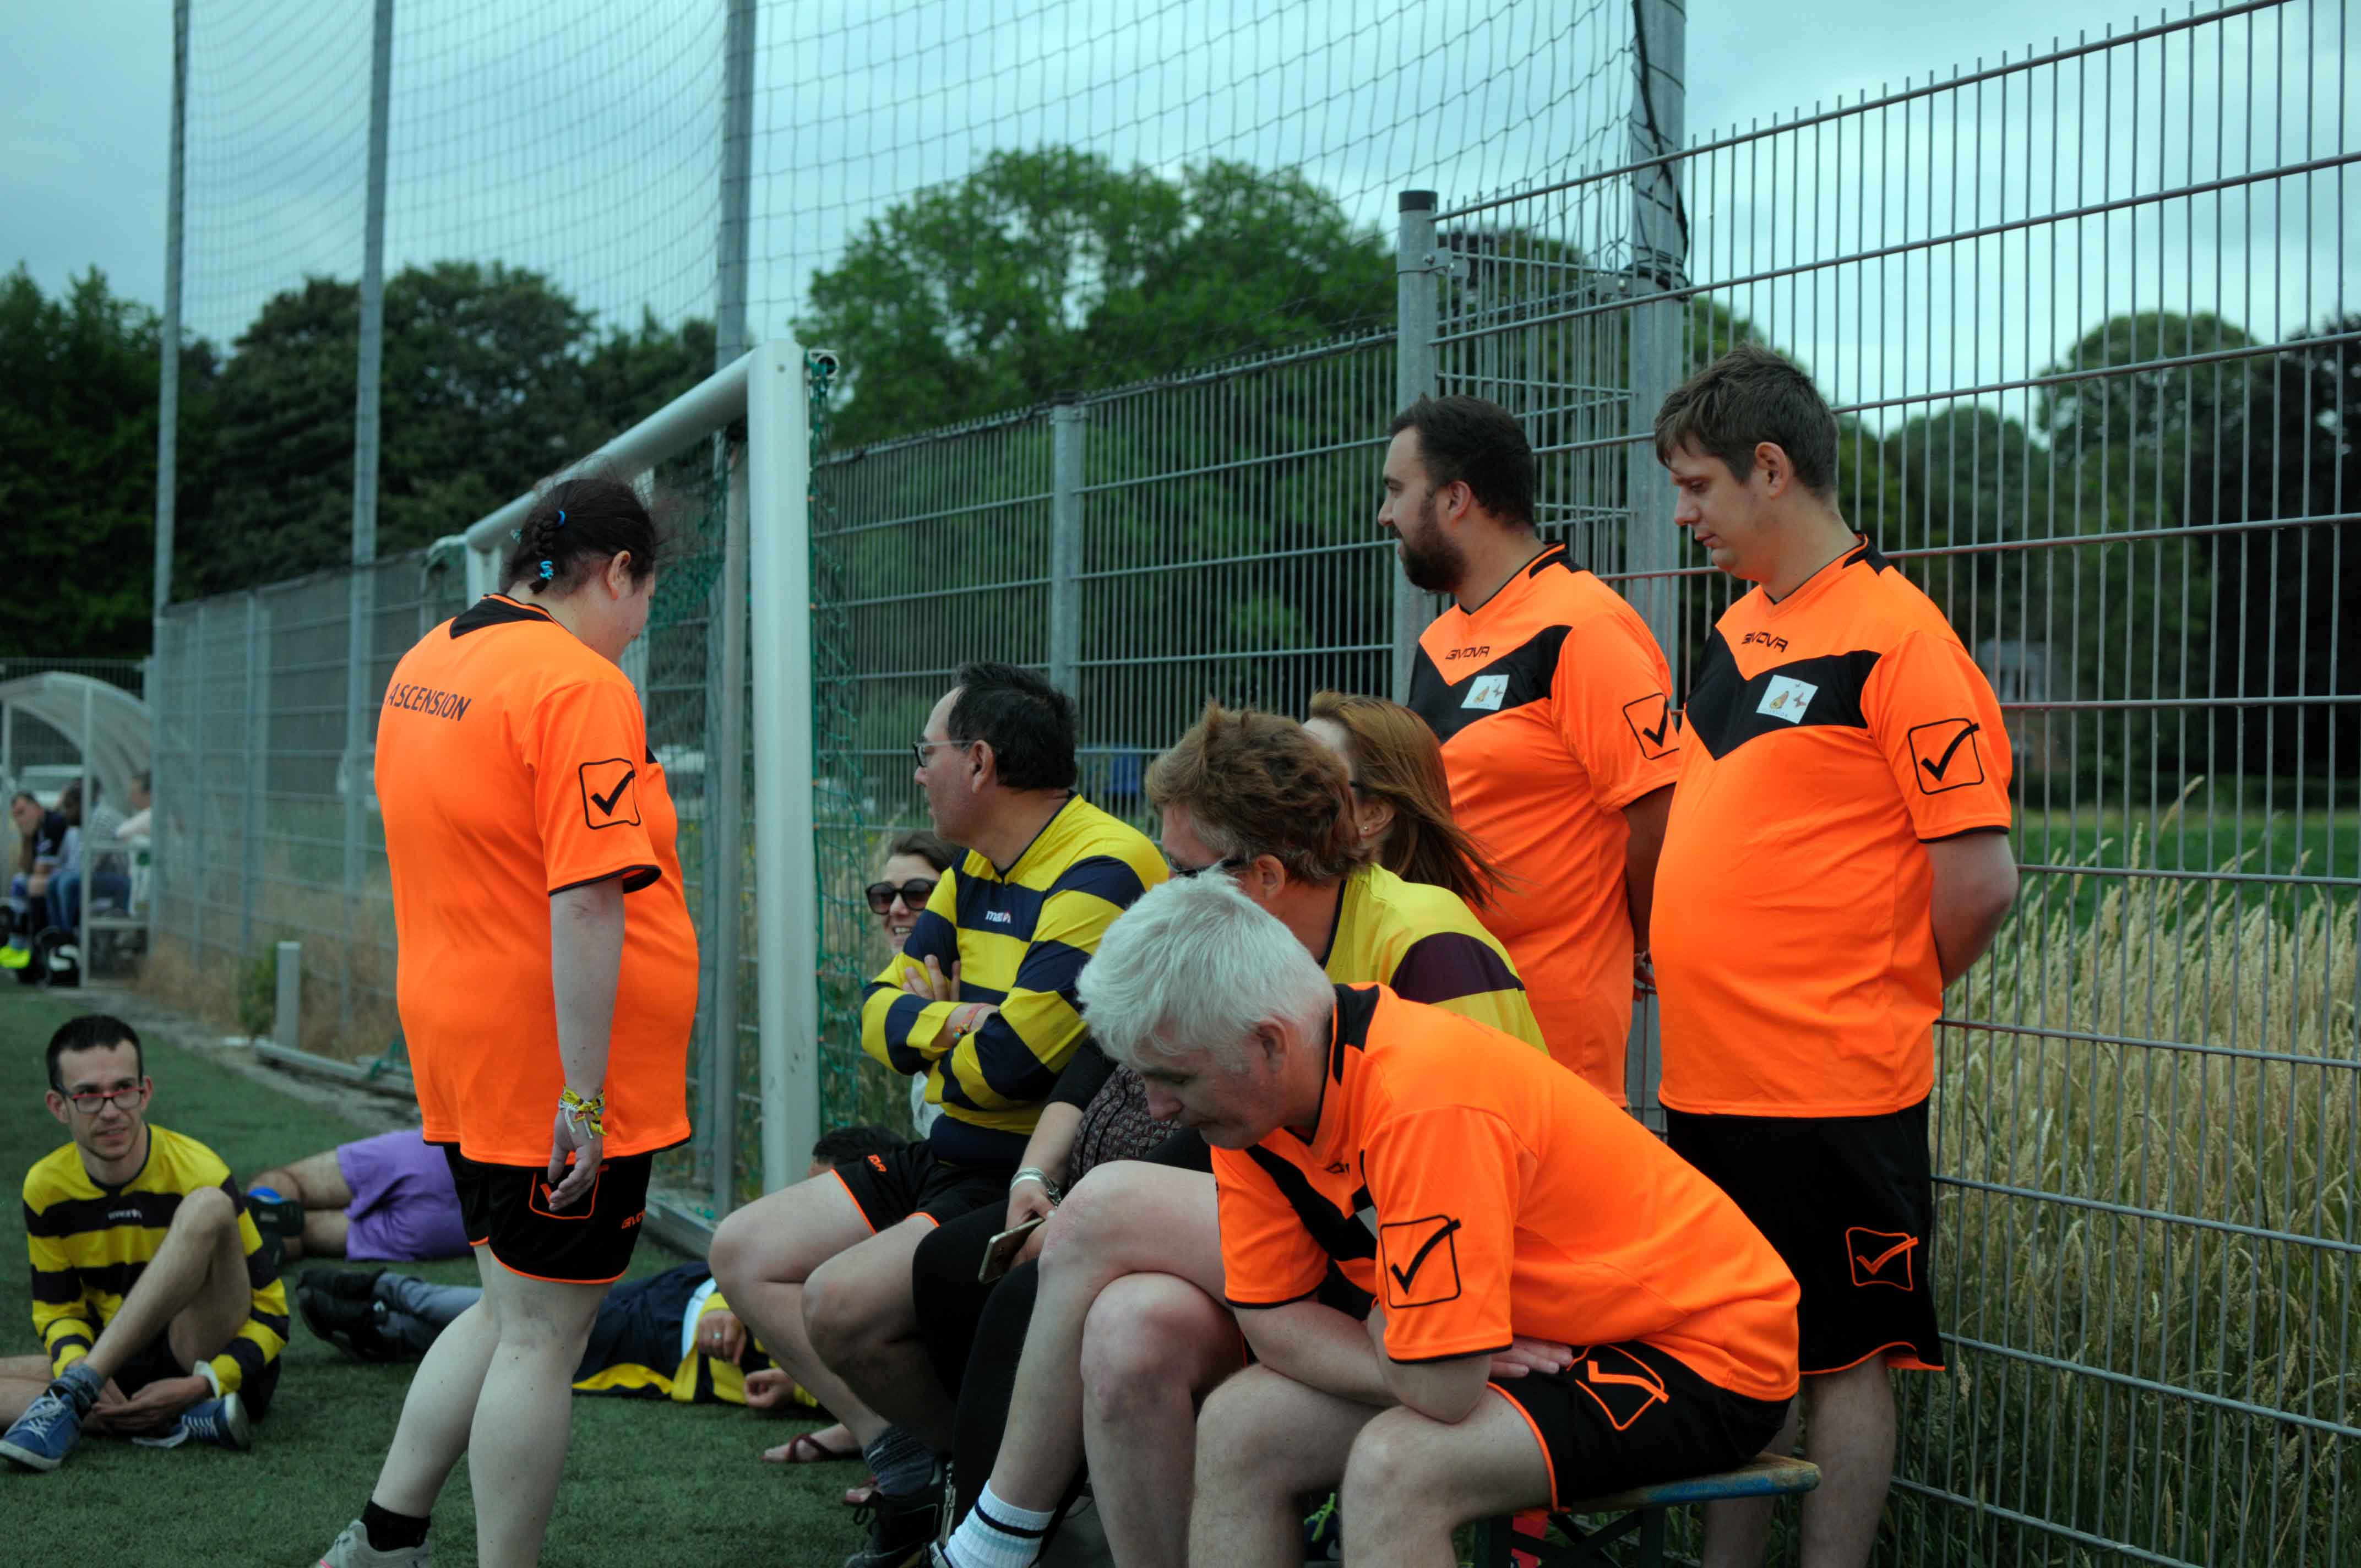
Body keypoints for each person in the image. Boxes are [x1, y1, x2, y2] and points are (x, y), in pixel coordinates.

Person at [923, 702, 1543, 1568]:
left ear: (1266, 875)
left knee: (1100, 1209)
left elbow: (1483, 1175)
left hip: (1466, 1284)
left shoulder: (1428, 944)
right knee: (1129, 1330)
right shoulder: (1265, 953)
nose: (1164, 894)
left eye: (1183, 873)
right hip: (1359, 1264)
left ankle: (994, 1540)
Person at [1055, 876, 1800, 1568]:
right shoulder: (1251, 1111)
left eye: (1175, 1078)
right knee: (1238, 1426)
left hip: (1699, 1351)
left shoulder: (1421, 1099)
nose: (1158, 1109)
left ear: (1270, 1042)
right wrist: (1401, 1348)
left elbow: (1443, 1391)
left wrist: (1418, 1346)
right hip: (1548, 1337)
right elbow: (1274, 1320)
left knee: (1398, 1467)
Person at [1648, 345, 2020, 1568]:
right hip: (1710, 1079)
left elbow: (1979, 883)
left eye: (1697, 486)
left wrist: (1876, 990)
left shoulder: (1900, 637)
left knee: (1845, 1355)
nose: (1685, 514)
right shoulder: (1739, 626)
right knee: (1736, 1343)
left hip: (1831, 1086)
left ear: (1769, 468)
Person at [314, 475, 699, 1568]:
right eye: (647, 595)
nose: (641, 624)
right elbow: (585, 898)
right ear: (617, 572)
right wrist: (583, 1096)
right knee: (541, 1337)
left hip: (462, 1037)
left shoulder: (432, 655)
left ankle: (384, 1537)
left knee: (501, 1310)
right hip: (550, 1065)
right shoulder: (578, 683)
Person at [709, 661, 1166, 1568]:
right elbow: (875, 1014)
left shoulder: (1105, 867)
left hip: (1019, 1171)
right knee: (743, 1251)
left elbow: (1014, 1067)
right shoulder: (972, 867)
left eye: (927, 754)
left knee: (838, 1302)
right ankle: (915, 1465)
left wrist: (941, 1037)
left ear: (980, 762)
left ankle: (995, 1485)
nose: (918, 774)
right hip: (950, 1146)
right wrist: (954, 1020)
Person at [1386, 394, 1683, 1099]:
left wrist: (1629, 936)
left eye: (1396, 490)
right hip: (1445, 1006)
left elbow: (1659, 813)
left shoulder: (1584, 626)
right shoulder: (1438, 640)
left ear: (1455, 498)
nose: (1385, 514)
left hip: (1552, 1030)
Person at [0, 1015, 286, 1469]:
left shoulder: (198, 1169)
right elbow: (59, 1311)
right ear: (59, 1106)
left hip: (206, 1358)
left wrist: (205, 1383)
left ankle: (92, 1395)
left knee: (208, 1205)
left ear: (145, 1092)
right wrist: (74, 1361)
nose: (111, 1110)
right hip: (118, 1365)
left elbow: (272, 1313)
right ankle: (169, 1420)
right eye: (88, 1096)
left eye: (124, 1090)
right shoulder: (45, 1187)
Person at [1303, 689, 1501, 907]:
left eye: (1310, 776)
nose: (1283, 786)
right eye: (1284, 763)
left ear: (1374, 814)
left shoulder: (1422, 926)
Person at [244, 1128, 471, 1264]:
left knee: (291, 1182)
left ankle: (259, 1211)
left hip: (436, 1156)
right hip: (459, 1225)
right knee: (303, 1232)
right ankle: (266, 1244)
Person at [871, 828, 960, 1136]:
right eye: (884, 895)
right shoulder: (906, 986)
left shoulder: (983, 983)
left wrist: (947, 1036)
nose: (896, 909)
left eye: (918, 893)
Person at [2, 789, 69, 971]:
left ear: (37, 808)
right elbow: (26, 867)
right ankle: (19, 944)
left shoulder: (53, 823)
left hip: (69, 876)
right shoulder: (35, 830)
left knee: (34, 884)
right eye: (16, 816)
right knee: (21, 881)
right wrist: (26, 837)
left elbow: (42, 869)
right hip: (55, 879)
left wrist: (34, 869)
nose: (20, 820)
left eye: (22, 812)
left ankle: (37, 948)